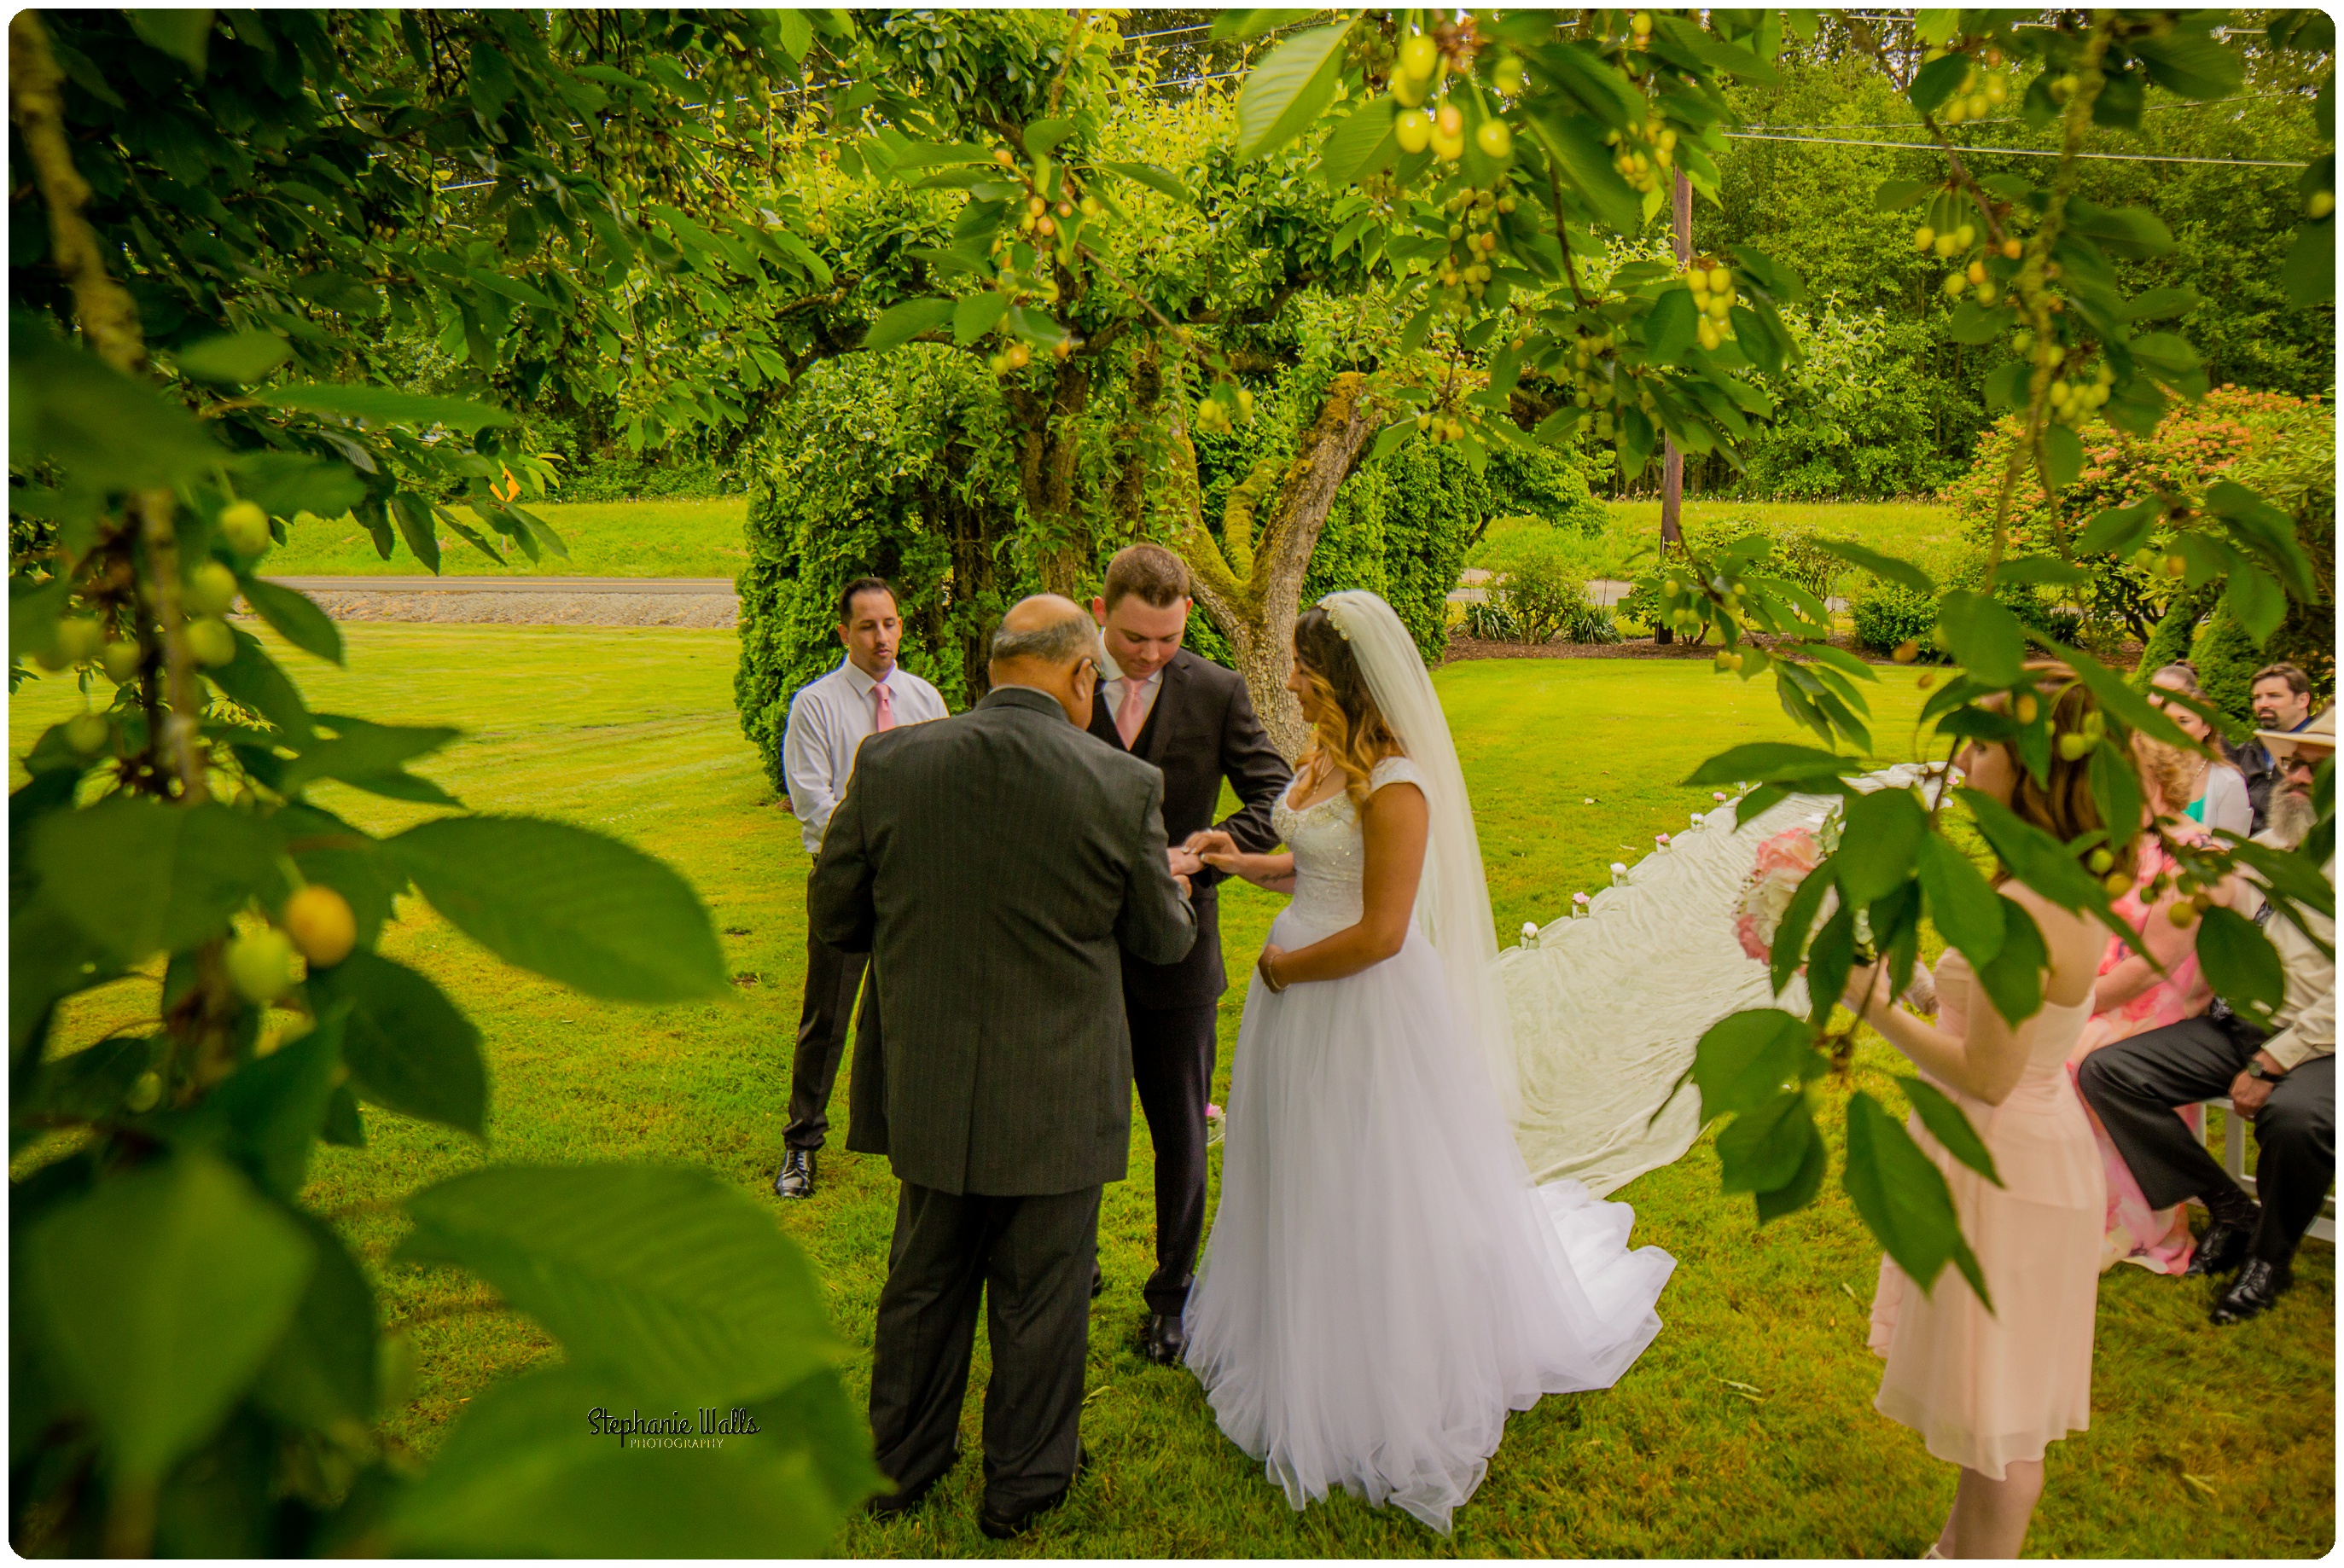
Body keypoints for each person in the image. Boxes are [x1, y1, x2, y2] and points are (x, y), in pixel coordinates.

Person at [1181, 591, 1675, 1536]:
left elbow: (1378, 928)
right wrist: (1235, 863)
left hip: (1355, 1003)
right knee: (1301, 1169)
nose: (1285, 677)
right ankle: (1298, 1335)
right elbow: (1317, 864)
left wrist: (1283, 965)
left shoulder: (1398, 781)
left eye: (1300, 667)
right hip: (1297, 1000)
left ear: (1342, 679)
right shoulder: (1324, 753)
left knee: (1370, 1180)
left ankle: (1375, 1366)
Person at [809, 595, 1195, 1539]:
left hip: (930, 1075)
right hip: (1058, 1088)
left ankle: (897, 1464)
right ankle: (1021, 1484)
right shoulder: (1119, 784)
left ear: (992, 669)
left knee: (924, 1277)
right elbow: (1160, 939)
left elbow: (836, 916)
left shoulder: (893, 762)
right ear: (1073, 673)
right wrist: (1170, 887)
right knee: (1043, 1292)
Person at [1843, 665, 2111, 1560]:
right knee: (1993, 1399)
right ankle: (1951, 1547)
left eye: (1985, 745)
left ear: (2031, 765)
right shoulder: (2052, 878)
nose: (1965, 760)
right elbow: (2000, 1022)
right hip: (2018, 1149)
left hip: (2006, 1159)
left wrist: (1871, 1003)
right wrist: (1918, 980)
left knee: (2004, 1420)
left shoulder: (2028, 906)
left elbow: (1987, 1075)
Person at [1082, 543, 1290, 1365]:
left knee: (1180, 1133)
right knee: (1077, 1123)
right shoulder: (1059, 682)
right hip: (1080, 950)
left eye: (1166, 640)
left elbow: (1274, 794)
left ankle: (1171, 1295)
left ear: (1186, 621)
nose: (1149, 656)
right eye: (1134, 638)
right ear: (1101, 615)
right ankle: (1075, 1263)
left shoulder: (1216, 689)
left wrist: (1212, 847)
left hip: (1179, 951)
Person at [2078, 705, 2335, 1327]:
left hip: (2319, 1044)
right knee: (2106, 1072)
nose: (2295, 776)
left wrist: (2273, 1063)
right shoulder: (2258, 851)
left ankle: (2269, 1258)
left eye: (2317, 768)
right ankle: (2227, 1206)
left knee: (2294, 1118)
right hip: (2237, 1025)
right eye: (2294, 763)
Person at [773, 578, 947, 1200]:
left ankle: (921, 1134)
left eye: (891, 624)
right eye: (869, 626)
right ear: (844, 633)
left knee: (918, 1014)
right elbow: (813, 802)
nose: (882, 638)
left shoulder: (924, 699)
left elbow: (942, 790)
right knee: (827, 1015)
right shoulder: (815, 705)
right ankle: (801, 1145)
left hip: (914, 888)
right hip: (846, 883)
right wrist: (880, 851)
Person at [2063, 733, 2216, 1275]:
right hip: (2096, 991)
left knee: (2072, 1060)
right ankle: (2049, 1202)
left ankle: (2126, 1221)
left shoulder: (2194, 855)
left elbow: (2155, 964)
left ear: (2161, 781)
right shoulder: (2112, 845)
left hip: (2157, 1003)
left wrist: (2073, 1007)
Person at [2144, 662, 2251, 839]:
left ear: (2206, 727)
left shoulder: (2229, 782)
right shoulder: (2147, 771)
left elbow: (2231, 847)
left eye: (2183, 721)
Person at [2231, 662, 2317, 834]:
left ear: (2302, 700)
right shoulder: (2246, 753)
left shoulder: (2323, 750)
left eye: (2273, 696)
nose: (2262, 704)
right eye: (2257, 698)